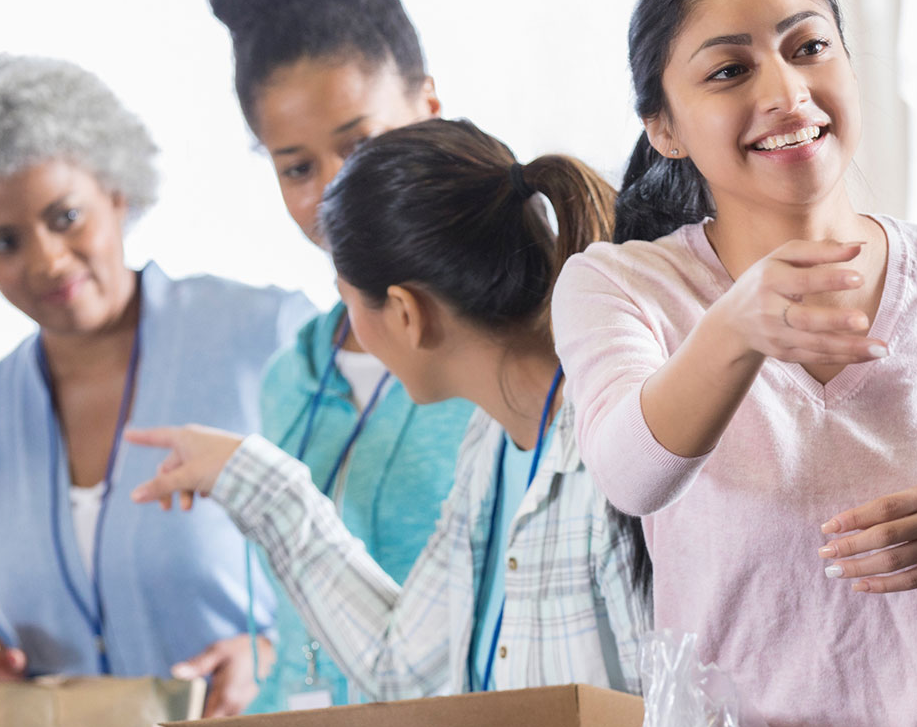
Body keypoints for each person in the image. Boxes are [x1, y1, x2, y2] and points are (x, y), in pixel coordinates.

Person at [550, 0, 917, 727]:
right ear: (664, 127)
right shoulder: (621, 287)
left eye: (808, 48)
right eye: (729, 71)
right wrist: (737, 324)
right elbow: (628, 472)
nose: (783, 91)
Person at [0, 55, 312, 727]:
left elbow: (378, 576)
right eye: (3, 242)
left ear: (118, 193)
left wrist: (272, 653)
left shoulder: (264, 337)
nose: (47, 261)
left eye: (66, 216)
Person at [128, 119, 650, 697]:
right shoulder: (493, 446)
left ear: (406, 313)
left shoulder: (620, 452)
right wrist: (248, 476)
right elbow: (402, 667)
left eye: (345, 295)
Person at [205, 0, 472, 713]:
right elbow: (301, 668)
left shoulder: (520, 337)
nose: (331, 192)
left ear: (429, 106)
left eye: (359, 146)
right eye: (296, 166)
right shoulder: (293, 378)